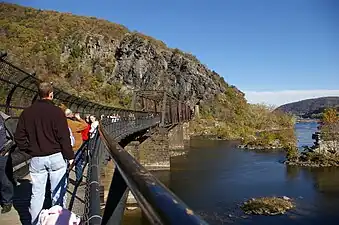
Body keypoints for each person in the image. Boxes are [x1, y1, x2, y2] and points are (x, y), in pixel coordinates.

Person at [14, 82, 74, 225]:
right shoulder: (57, 112)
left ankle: (35, 222)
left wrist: (29, 150)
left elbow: (19, 137)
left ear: (39, 94)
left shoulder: (27, 113)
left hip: (36, 159)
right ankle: (58, 221)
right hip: (56, 157)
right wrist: (70, 156)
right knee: (58, 193)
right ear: (51, 94)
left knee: (37, 195)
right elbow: (64, 137)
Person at [65, 110, 87, 183]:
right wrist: (79, 118)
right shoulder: (73, 123)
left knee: (67, 164)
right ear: (70, 115)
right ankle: (79, 180)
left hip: (67, 147)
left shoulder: (63, 122)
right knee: (78, 163)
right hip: (76, 147)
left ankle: (66, 181)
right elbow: (85, 125)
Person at [0, 111, 13, 214]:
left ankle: (7, 202)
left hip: (3, 153)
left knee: (4, 180)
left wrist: (7, 150)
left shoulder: (4, 119)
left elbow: (13, 136)